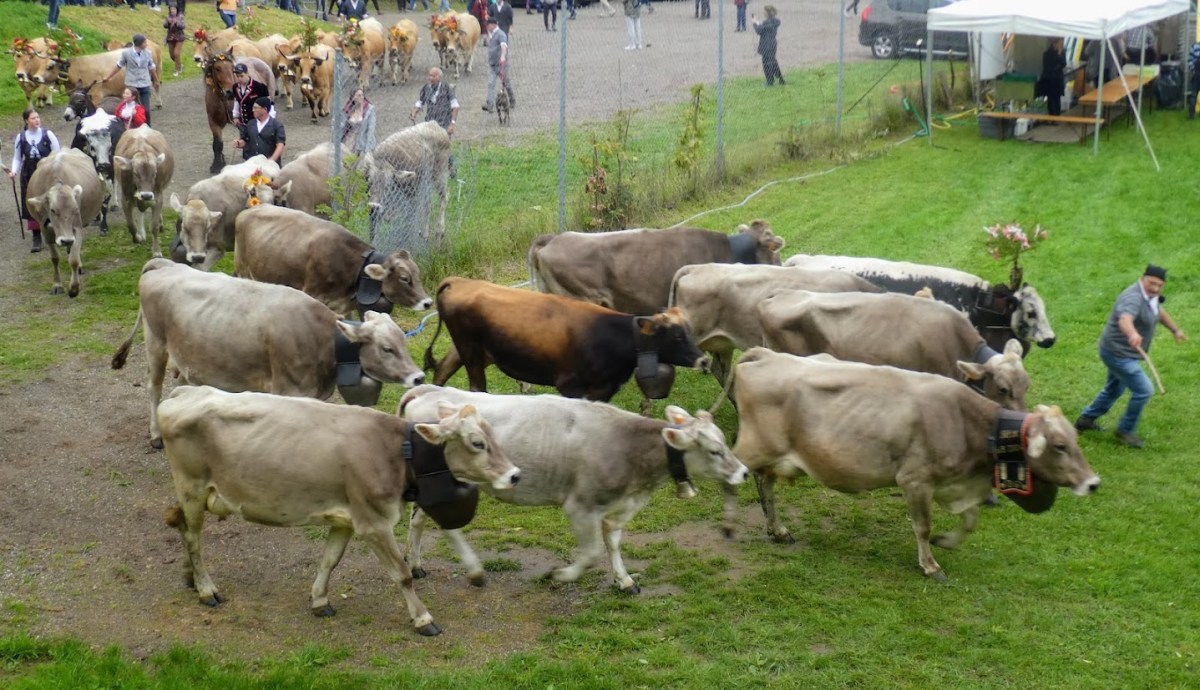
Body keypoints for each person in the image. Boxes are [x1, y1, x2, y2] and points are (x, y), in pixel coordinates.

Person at [1075, 265, 1187, 449]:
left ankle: (1086, 420)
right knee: (1144, 390)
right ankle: (1125, 431)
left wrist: (1175, 330)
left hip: (1124, 352)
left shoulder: (1150, 297)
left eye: (1160, 285)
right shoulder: (1133, 298)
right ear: (1143, 278)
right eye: (1152, 283)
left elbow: (1158, 310)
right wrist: (1132, 333)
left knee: (1114, 389)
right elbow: (1124, 319)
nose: (1155, 289)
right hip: (1117, 353)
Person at [8, 109, 62, 253]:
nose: (37, 120)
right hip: (29, 173)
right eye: (33, 118)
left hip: (46, 172)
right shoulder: (21, 137)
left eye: (38, 117)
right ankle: (36, 237)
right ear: (26, 121)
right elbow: (17, 157)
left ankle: (55, 231)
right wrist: (14, 171)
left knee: (52, 200)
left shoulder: (47, 135)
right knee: (31, 203)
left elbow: (57, 154)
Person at [101, 33, 160, 126]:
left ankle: (148, 127)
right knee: (129, 110)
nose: (146, 44)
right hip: (132, 85)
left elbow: (151, 67)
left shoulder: (148, 53)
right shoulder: (126, 53)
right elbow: (119, 66)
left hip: (144, 83)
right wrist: (108, 77)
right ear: (139, 44)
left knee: (146, 110)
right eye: (144, 42)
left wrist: (156, 80)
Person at [234, 97, 286, 164]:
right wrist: (239, 143)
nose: (253, 110)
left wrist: (271, 160)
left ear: (265, 110)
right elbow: (245, 140)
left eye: (256, 108)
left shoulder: (277, 125)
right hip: (252, 163)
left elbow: (280, 145)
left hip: (270, 165)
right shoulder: (250, 124)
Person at [411, 67, 459, 135]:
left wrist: (452, 123)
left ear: (439, 77)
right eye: (430, 75)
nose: (431, 78)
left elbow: (455, 106)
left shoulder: (447, 88)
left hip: (444, 123)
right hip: (429, 123)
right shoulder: (426, 87)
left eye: (433, 76)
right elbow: (420, 102)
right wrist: (414, 111)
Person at [483, 17, 515, 112]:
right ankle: (490, 104)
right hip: (492, 65)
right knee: (490, 83)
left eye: (487, 26)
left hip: (501, 65)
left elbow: (504, 45)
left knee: (506, 84)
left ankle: (512, 99)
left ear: (492, 25)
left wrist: (503, 56)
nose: (487, 28)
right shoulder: (492, 34)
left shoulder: (501, 34)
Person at [230, 62, 270, 127]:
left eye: (241, 76)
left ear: (247, 73)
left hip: (257, 124)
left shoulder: (259, 87)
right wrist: (235, 116)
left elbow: (268, 105)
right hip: (242, 123)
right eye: (237, 76)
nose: (239, 79)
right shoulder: (235, 87)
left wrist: (267, 121)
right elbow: (237, 101)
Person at [752, 5, 784, 86]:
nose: (763, 12)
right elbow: (763, 28)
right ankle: (780, 79)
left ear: (767, 13)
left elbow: (759, 31)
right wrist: (759, 24)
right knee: (773, 62)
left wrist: (755, 23)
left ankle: (770, 81)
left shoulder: (767, 22)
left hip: (766, 45)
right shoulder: (774, 22)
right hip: (772, 43)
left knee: (766, 63)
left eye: (764, 11)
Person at [341, 87, 378, 155]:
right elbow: (342, 127)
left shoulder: (369, 110)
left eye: (362, 95)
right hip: (349, 140)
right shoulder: (348, 109)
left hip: (362, 139)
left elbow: (371, 129)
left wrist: (367, 149)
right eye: (358, 95)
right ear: (353, 98)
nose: (361, 97)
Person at [1038, 37, 1067, 116]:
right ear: (1055, 43)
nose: (1061, 45)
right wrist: (1058, 58)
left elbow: (1063, 63)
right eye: (1060, 43)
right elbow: (1049, 66)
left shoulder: (1062, 52)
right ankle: (1052, 116)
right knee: (1051, 99)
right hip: (1050, 79)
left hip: (1058, 79)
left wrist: (1059, 55)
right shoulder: (1047, 53)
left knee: (1057, 98)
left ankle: (1057, 115)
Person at [163, 3, 187, 77]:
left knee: (176, 53)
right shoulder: (168, 17)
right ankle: (180, 65)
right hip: (170, 37)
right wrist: (167, 22)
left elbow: (183, 26)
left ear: (177, 9)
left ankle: (177, 70)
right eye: (171, 9)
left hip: (179, 37)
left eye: (174, 9)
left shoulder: (181, 16)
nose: (173, 10)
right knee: (172, 55)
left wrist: (177, 23)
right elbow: (164, 25)